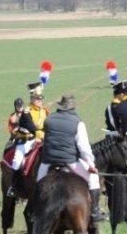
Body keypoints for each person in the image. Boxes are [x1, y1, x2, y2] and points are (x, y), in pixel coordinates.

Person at [36, 94, 108, 223]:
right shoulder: (77, 122)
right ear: (72, 108)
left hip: (48, 161)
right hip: (70, 161)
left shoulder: (49, 119)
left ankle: (34, 211)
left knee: (38, 184)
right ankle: (95, 211)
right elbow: (84, 148)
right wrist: (91, 165)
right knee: (93, 179)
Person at [5, 97, 38, 198]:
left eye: (21, 106)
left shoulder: (28, 113)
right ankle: (13, 187)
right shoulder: (12, 117)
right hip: (20, 140)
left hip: (33, 138)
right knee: (16, 161)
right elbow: (12, 130)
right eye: (18, 106)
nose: (19, 107)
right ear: (15, 106)